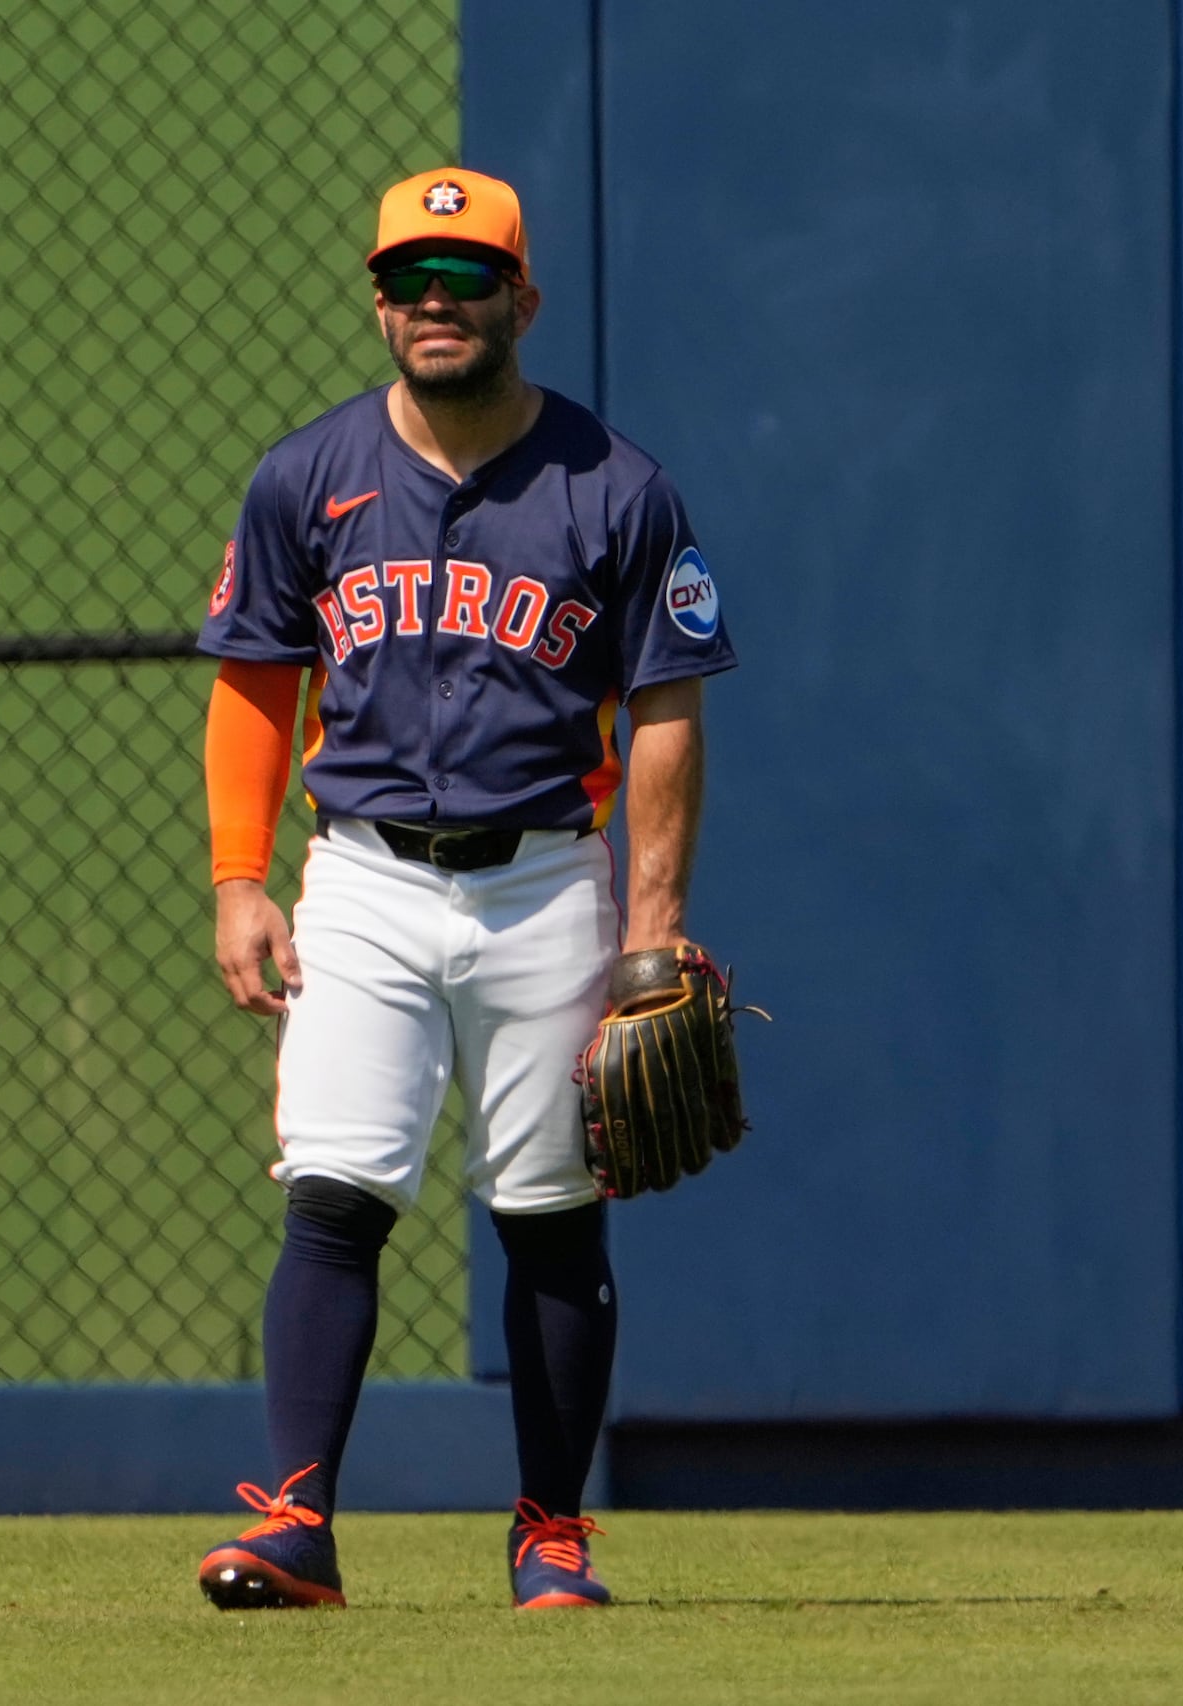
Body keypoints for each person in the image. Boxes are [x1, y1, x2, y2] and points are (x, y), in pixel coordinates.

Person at [193, 168, 734, 1608]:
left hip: (546, 879)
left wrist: (653, 928)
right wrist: (240, 877)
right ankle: (295, 1521)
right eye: (410, 278)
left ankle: (550, 1530)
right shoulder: (304, 478)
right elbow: (255, 686)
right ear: (379, 301)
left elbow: (667, 709)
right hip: (359, 877)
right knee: (333, 1188)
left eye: (466, 275)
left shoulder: (617, 487)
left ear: (522, 298)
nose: (437, 301)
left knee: (552, 1206)